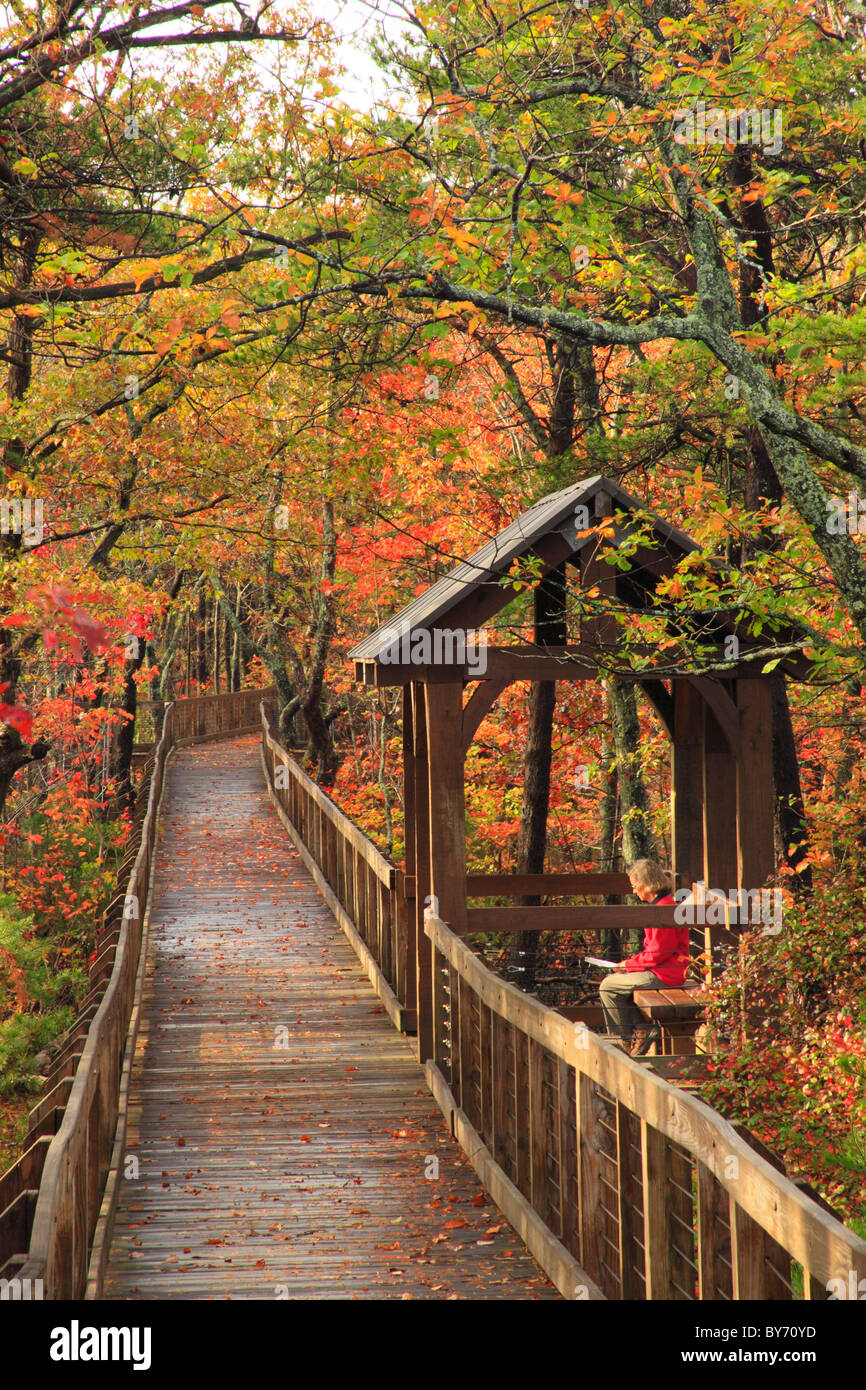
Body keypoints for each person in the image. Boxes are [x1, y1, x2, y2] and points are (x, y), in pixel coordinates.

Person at [599, 858, 690, 1056]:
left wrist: (628, 965)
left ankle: (623, 1042)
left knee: (608, 986)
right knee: (614, 983)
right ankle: (641, 1029)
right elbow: (654, 951)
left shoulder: (663, 909)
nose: (633, 891)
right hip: (662, 969)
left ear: (647, 884)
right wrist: (629, 965)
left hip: (666, 973)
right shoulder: (661, 905)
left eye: (635, 886)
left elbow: (658, 954)